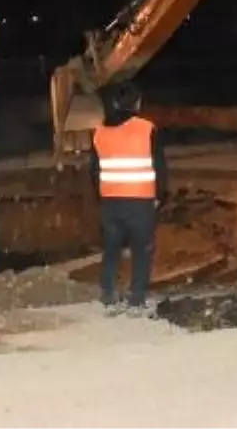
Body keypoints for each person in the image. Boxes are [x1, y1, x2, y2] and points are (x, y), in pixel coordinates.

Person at [88, 80, 168, 316]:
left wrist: (100, 195)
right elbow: (159, 166)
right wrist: (159, 196)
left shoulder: (99, 133)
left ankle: (108, 294)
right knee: (142, 249)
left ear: (113, 103)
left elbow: (94, 170)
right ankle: (137, 298)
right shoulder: (147, 129)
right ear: (137, 103)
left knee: (111, 247)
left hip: (111, 201)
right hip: (140, 201)